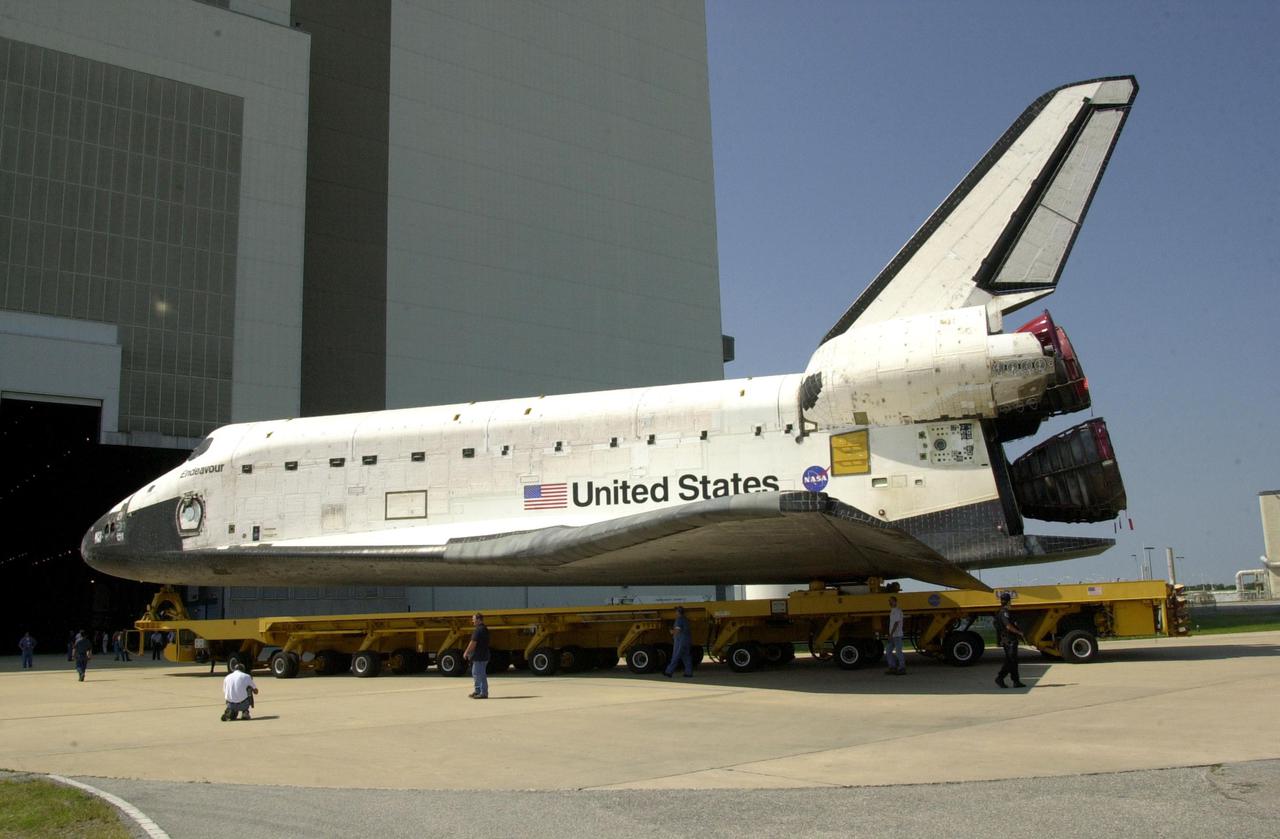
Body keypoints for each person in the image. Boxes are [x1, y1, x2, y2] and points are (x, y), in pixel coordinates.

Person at [994, 591, 1027, 688]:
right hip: (1009, 640)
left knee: (1013, 661)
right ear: (1009, 601)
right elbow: (1008, 626)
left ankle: (1016, 681)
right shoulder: (1004, 612)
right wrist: (1019, 632)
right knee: (1011, 660)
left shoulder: (1001, 612)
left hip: (1008, 639)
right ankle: (1000, 678)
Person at [463, 612, 490, 699]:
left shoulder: (479, 630)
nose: (472, 621)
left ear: (478, 620)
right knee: (475, 673)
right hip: (482, 655)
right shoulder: (484, 629)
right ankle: (477, 691)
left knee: (480, 674)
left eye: (473, 619)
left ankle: (483, 693)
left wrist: (466, 652)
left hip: (480, 657)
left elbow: (473, 642)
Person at [663, 606, 694, 678]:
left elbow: (678, 630)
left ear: (678, 612)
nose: (675, 613)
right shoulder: (685, 619)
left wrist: (672, 632)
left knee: (675, 656)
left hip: (680, 641)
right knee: (686, 657)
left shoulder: (679, 620)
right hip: (687, 641)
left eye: (676, 611)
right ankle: (688, 672)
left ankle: (669, 671)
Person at [884, 596, 905, 675]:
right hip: (893, 635)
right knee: (888, 650)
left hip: (897, 635)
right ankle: (892, 667)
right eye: (889, 601)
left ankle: (902, 668)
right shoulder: (892, 611)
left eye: (891, 601)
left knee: (898, 652)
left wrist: (891, 634)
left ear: (895, 602)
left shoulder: (897, 611)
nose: (890, 602)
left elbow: (896, 623)